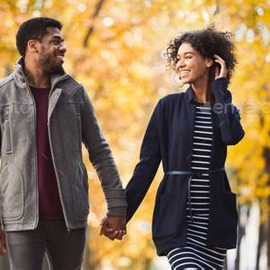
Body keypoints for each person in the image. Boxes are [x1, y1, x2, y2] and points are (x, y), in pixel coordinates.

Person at [0, 17, 127, 269]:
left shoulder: (74, 93)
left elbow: (100, 152)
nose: (63, 48)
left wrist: (117, 205)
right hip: (20, 220)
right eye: (55, 42)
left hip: (70, 218)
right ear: (33, 46)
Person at [103, 27, 245, 269]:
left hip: (213, 225)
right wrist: (121, 212)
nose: (180, 64)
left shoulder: (226, 109)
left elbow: (231, 136)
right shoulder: (167, 107)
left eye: (188, 56)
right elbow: (147, 165)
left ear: (210, 61)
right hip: (178, 221)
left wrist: (220, 90)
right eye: (178, 58)